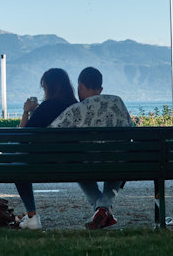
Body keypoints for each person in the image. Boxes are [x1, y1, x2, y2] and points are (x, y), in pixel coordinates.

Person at [0, 68, 78, 230]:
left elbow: (21, 136)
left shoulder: (47, 107)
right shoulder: (76, 106)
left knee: (17, 160)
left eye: (44, 87)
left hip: (45, 162)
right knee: (18, 158)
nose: (44, 90)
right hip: (72, 162)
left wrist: (26, 112)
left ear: (50, 87)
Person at [49, 67, 133, 230]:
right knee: (116, 163)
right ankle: (104, 208)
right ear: (100, 89)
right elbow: (130, 128)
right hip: (118, 163)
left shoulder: (76, 109)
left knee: (78, 165)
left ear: (80, 85)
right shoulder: (117, 102)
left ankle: (101, 209)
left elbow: (51, 132)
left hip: (87, 165)